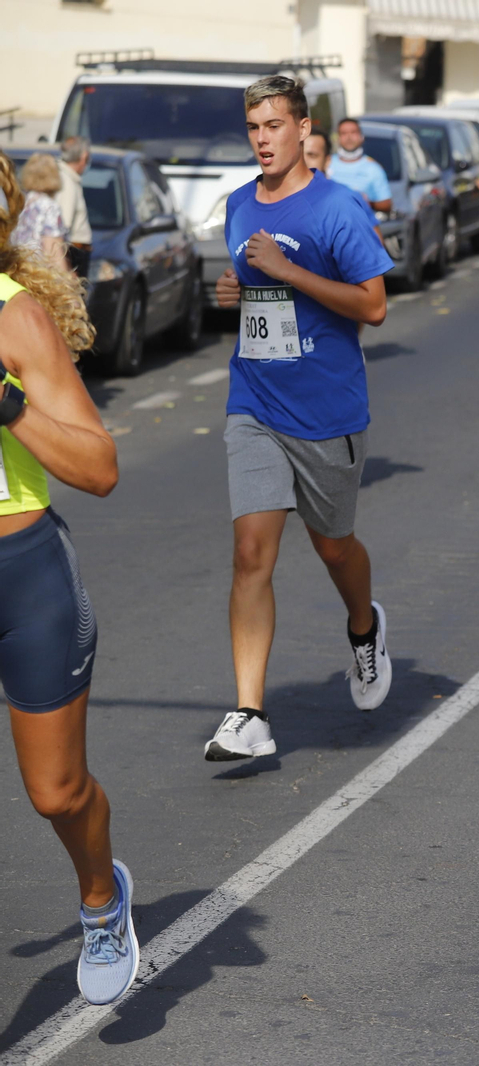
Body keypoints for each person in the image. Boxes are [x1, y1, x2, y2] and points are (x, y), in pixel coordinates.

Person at [208, 76, 396, 762]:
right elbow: (247, 286)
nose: (262, 138)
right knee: (251, 554)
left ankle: (362, 626)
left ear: (302, 129)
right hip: (254, 400)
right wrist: (237, 288)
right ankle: (249, 713)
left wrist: (286, 272)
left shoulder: (337, 208)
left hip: (327, 412)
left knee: (332, 545)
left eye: (273, 125)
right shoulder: (236, 203)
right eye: (253, 126)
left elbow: (373, 305)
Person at [0, 149, 135, 1006]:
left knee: (56, 792)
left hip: (22, 573)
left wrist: (8, 404)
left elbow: (98, 466)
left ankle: (101, 896)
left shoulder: (17, 323)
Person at [324, 118, 393, 215]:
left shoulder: (373, 168)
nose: (349, 137)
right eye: (344, 133)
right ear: (338, 138)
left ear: (361, 137)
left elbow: (386, 204)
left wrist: (367, 202)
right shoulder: (326, 163)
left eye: (353, 132)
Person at [16, 153, 70, 275]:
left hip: (17, 271)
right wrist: (66, 284)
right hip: (38, 276)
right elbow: (53, 252)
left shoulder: (21, 202)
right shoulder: (49, 207)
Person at [54, 137, 92, 279]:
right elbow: (63, 228)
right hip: (72, 253)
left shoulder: (69, 178)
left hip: (75, 252)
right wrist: (67, 268)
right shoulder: (67, 183)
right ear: (84, 157)